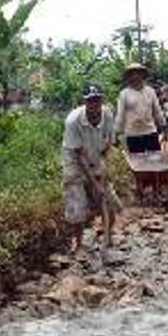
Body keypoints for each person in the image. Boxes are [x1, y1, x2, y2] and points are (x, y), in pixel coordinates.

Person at [62, 85, 121, 253]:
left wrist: (101, 177)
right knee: (77, 205)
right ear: (85, 102)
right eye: (90, 101)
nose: (94, 105)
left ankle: (108, 238)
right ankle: (78, 244)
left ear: (101, 101)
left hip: (96, 157)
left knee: (109, 202)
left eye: (97, 100)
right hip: (74, 163)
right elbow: (79, 156)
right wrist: (95, 185)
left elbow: (107, 146)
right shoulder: (73, 121)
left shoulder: (107, 115)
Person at [115, 62, 168, 153]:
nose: (135, 76)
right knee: (137, 163)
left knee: (155, 161)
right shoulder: (124, 94)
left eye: (138, 73)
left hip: (150, 132)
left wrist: (164, 128)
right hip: (133, 135)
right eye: (132, 73)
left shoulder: (150, 92)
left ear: (142, 75)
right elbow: (120, 116)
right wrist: (116, 134)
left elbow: (157, 112)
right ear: (129, 77)